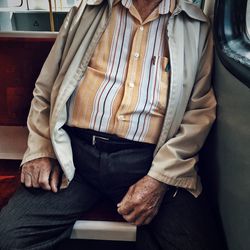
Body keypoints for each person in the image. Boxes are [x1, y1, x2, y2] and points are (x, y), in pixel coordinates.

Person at [0, 0, 225, 249]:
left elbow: (198, 113)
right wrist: (41, 150)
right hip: (74, 157)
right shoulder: (86, 11)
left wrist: (159, 178)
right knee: (9, 237)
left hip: (149, 161)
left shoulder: (196, 26)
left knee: (196, 243)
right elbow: (46, 90)